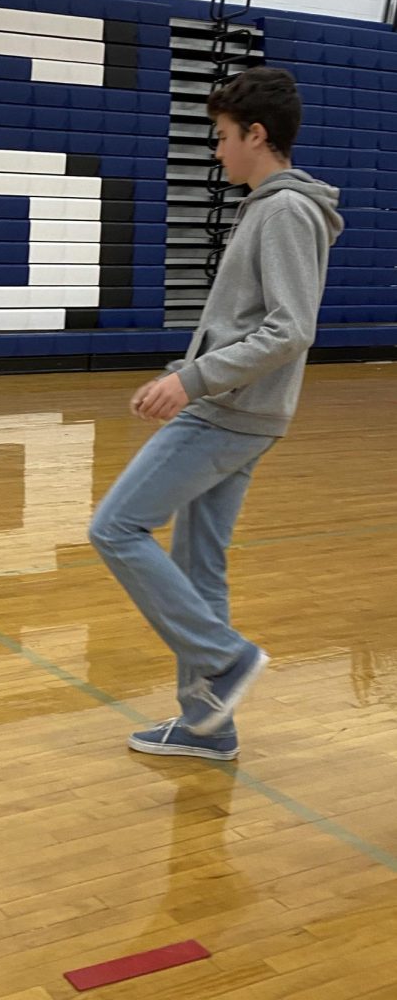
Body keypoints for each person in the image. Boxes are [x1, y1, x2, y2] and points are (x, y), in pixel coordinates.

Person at [89, 67, 343, 759]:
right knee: (200, 564)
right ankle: (210, 723)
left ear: (256, 135)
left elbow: (290, 328)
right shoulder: (269, 205)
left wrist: (194, 382)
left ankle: (224, 660)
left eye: (224, 136)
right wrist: (186, 372)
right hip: (237, 406)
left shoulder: (286, 210)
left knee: (115, 527)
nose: (217, 150)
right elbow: (249, 322)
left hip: (230, 413)